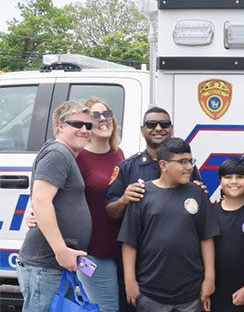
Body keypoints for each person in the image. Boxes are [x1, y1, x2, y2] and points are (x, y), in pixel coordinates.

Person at [105, 106, 204, 312]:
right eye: (151, 124)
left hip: (179, 273)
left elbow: (196, 212)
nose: (158, 128)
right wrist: (123, 200)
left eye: (164, 124)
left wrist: (200, 191)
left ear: (172, 129)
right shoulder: (127, 167)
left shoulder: (188, 168)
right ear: (142, 130)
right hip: (141, 268)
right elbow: (110, 213)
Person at [118, 137, 219, 312]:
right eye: (182, 162)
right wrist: (129, 280)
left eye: (190, 161)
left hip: (190, 293)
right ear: (163, 165)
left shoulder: (198, 193)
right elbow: (129, 242)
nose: (189, 167)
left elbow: (206, 238)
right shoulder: (142, 195)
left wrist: (210, 277)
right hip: (150, 293)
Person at [16, 100, 93, 312]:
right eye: (77, 124)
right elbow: (41, 200)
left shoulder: (64, 155)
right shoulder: (58, 154)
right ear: (60, 125)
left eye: (88, 126)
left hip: (54, 267)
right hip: (46, 265)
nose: (84, 130)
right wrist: (61, 251)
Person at [210, 158, 244, 312]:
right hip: (212, 294)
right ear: (220, 182)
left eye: (240, 177)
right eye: (228, 177)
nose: (234, 182)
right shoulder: (210, 211)